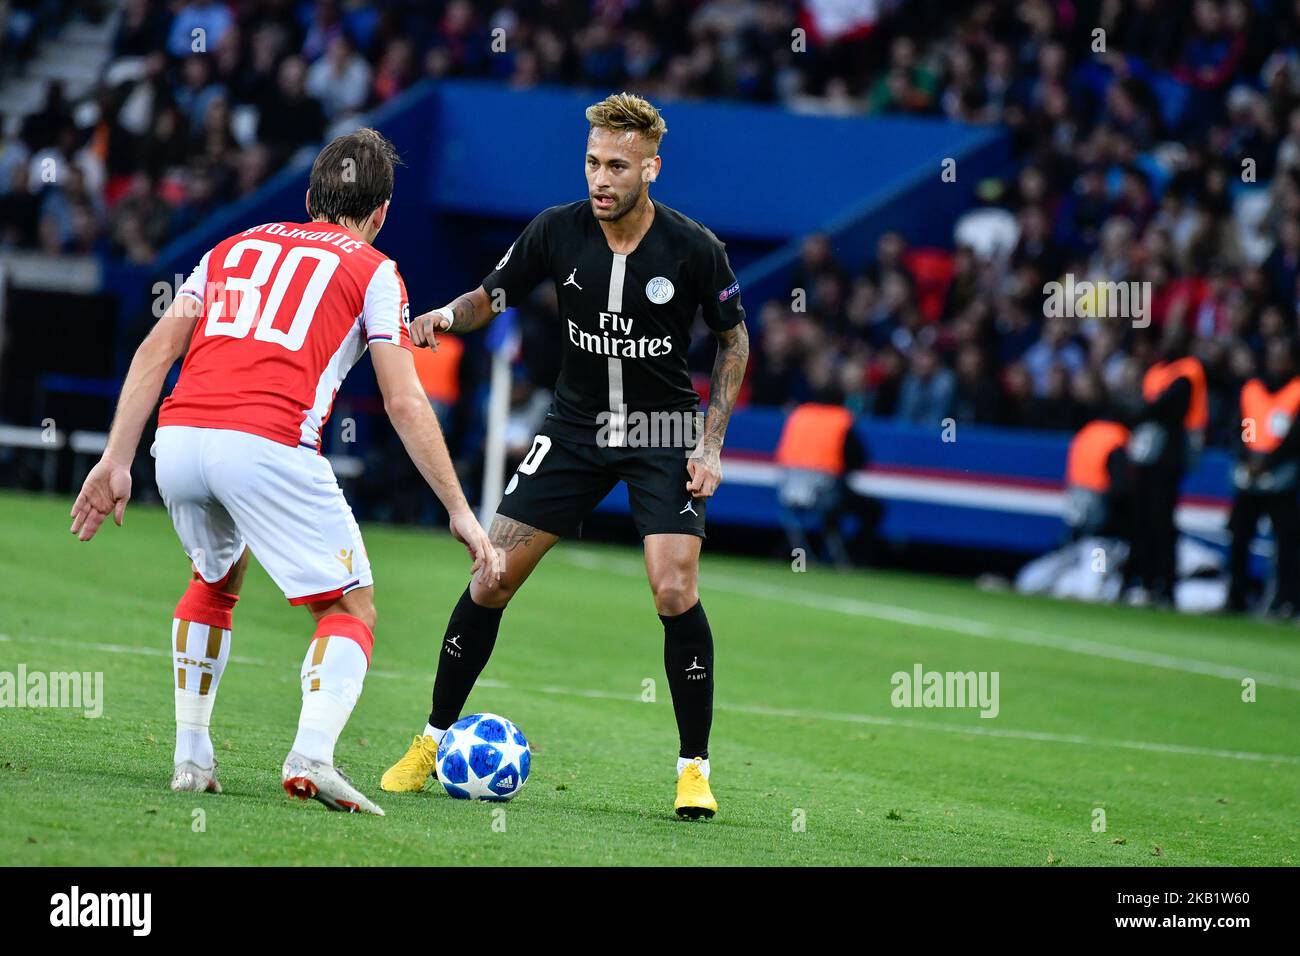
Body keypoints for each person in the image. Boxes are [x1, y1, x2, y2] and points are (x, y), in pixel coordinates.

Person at [69, 129, 499, 816]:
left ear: (308, 198)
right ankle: (312, 755)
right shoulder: (375, 270)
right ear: (382, 212)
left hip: (178, 440)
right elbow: (401, 398)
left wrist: (116, 458)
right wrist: (458, 507)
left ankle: (190, 758)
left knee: (215, 577)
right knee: (350, 605)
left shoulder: (231, 247)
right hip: (265, 443)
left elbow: (155, 349)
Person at [381, 93, 750, 819]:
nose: (600, 178)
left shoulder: (694, 248)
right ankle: (429, 742)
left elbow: (733, 338)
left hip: (659, 431)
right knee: (491, 575)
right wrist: (447, 316)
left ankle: (694, 770)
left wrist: (709, 442)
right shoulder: (556, 230)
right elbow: (494, 294)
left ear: (651, 168)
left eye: (617, 165)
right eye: (591, 162)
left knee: (673, 589)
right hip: (576, 427)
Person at [1123, 335, 1207, 607]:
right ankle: (1144, 580)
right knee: (1143, 520)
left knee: (1161, 521)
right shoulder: (1156, 371)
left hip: (1170, 455)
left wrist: (1137, 413)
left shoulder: (1188, 371)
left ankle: (1165, 585)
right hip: (1147, 453)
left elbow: (1165, 406)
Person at [1227, 338, 1300, 616]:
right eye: (1272, 354)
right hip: (1250, 474)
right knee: (1239, 535)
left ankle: (1286, 600)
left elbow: (1295, 435)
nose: (1275, 361)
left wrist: (1269, 461)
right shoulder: (1253, 389)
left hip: (1281, 476)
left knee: (1287, 541)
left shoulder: (1296, 390)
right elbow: (1244, 426)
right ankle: (1236, 596)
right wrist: (1248, 456)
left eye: (1281, 355)